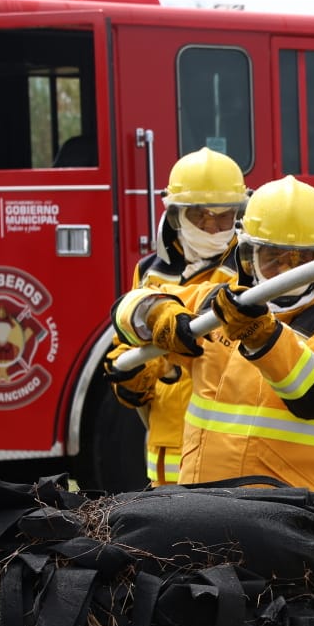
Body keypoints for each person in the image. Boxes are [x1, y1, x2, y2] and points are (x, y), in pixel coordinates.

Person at [111, 175, 314, 496]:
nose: (286, 272)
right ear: (247, 256)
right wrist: (157, 312)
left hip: (292, 512)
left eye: (301, 259)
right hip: (201, 503)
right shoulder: (212, 304)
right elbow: (126, 307)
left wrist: (265, 337)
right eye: (272, 258)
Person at [103, 147, 248, 485]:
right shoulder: (149, 271)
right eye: (200, 215)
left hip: (223, 444)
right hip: (164, 445)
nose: (211, 226)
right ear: (175, 215)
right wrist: (134, 377)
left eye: (223, 216)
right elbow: (129, 344)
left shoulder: (249, 268)